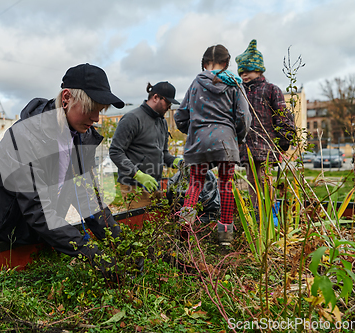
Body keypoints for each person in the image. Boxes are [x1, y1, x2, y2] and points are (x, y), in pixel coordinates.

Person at [0, 63, 125, 278]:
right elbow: (39, 210)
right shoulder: (24, 137)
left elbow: (88, 199)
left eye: (100, 111)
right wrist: (90, 254)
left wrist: (122, 245)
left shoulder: (81, 137)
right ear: (66, 98)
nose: (96, 118)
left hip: (30, 231)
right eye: (90, 109)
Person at [175, 44, 251, 246]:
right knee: (225, 185)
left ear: (204, 63)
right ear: (226, 63)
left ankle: (184, 231)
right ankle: (225, 236)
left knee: (195, 184)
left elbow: (180, 116)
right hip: (226, 141)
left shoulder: (195, 84)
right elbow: (244, 116)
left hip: (199, 142)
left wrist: (193, 131)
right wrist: (238, 137)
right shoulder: (235, 83)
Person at [235, 39, 295, 210]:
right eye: (241, 72)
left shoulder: (271, 90)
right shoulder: (240, 91)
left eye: (247, 71)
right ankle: (257, 214)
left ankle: (271, 214)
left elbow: (282, 114)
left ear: (258, 69)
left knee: (265, 180)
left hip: (266, 146)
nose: (244, 75)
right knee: (252, 182)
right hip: (246, 147)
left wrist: (285, 137)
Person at [109, 81, 183, 209]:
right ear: (155, 97)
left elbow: (163, 154)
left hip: (154, 184)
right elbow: (116, 151)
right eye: (168, 102)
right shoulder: (132, 119)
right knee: (142, 224)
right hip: (134, 185)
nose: (169, 107)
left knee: (160, 223)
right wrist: (138, 175)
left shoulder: (162, 122)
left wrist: (177, 162)